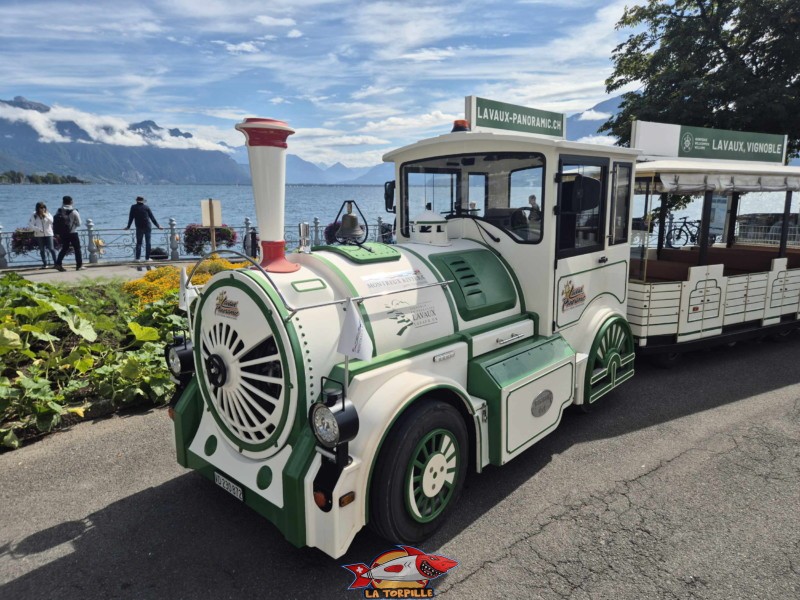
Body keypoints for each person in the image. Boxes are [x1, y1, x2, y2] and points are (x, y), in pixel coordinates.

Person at [125, 196, 162, 261]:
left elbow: (131, 217)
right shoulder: (146, 207)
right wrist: (158, 226)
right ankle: (147, 258)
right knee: (148, 243)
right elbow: (152, 218)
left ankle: (137, 258)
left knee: (139, 243)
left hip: (139, 227)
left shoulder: (133, 207)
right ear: (143, 201)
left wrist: (128, 226)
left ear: (136, 201)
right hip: (148, 226)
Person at [54, 196, 84, 271]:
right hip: (73, 232)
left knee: (64, 248)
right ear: (71, 202)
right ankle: (79, 265)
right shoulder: (74, 211)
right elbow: (79, 223)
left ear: (63, 202)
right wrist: (73, 225)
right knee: (77, 249)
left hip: (63, 233)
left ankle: (58, 264)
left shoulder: (59, 211)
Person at [27, 202, 57, 269]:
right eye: (41, 207)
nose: (42, 209)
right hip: (39, 234)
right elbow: (30, 224)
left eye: (44, 207)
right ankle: (45, 264)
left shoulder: (48, 214)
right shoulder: (34, 215)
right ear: (38, 208)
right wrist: (37, 229)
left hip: (48, 233)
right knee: (42, 249)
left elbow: (51, 222)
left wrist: (45, 215)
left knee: (51, 249)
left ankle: (56, 263)